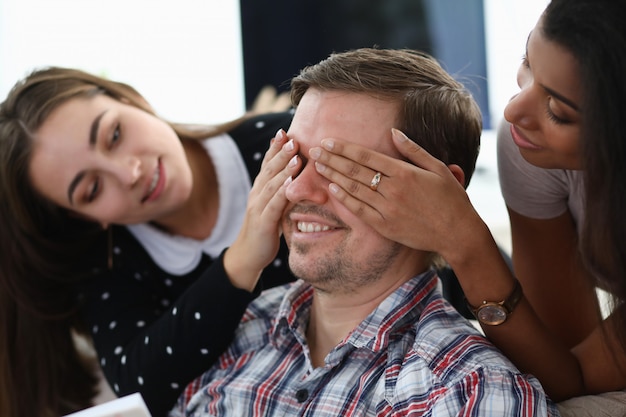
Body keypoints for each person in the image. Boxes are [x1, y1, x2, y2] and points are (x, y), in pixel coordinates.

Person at [171, 48, 559, 417]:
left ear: (442, 195)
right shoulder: (239, 332)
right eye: (295, 159)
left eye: (342, 168)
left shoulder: (468, 391)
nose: (296, 189)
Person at [302, 0, 626, 408]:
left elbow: (571, 381)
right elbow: (564, 361)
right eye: (527, 63)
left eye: (558, 111)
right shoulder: (529, 148)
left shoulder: (471, 386)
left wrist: (465, 240)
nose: (512, 110)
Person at [0, 68, 299, 417]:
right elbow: (138, 388)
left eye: (114, 134)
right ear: (86, 218)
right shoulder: (113, 262)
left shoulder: (287, 145)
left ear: (134, 99)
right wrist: (243, 260)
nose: (130, 173)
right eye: (92, 189)